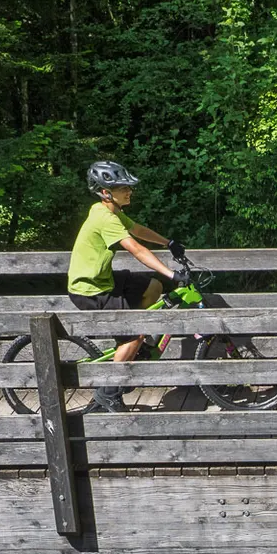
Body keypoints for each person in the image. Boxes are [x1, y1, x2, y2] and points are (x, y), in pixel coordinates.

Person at [65, 160, 186, 410]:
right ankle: (108, 392)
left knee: (153, 286)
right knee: (135, 334)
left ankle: (133, 345)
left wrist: (168, 242)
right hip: (90, 290)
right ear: (106, 192)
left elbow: (138, 230)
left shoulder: (110, 212)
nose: (129, 191)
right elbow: (136, 249)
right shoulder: (105, 219)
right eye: (123, 187)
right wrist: (171, 274)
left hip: (102, 279)